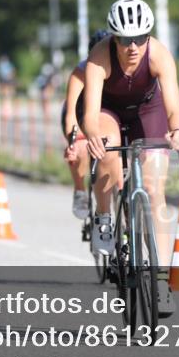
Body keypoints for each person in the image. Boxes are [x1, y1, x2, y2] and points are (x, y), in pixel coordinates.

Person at [81, 0, 179, 316]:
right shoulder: (99, 57)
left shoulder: (159, 54)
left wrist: (178, 130)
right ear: (114, 38)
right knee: (108, 149)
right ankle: (104, 217)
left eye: (140, 38)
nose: (133, 47)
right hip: (109, 111)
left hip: (148, 110)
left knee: (155, 191)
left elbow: (173, 107)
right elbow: (89, 114)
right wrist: (93, 136)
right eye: (126, 39)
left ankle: (160, 281)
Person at [62, 30, 112, 219]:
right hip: (79, 113)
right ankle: (80, 190)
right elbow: (71, 117)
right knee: (81, 149)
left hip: (105, 115)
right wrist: (73, 142)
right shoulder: (81, 72)